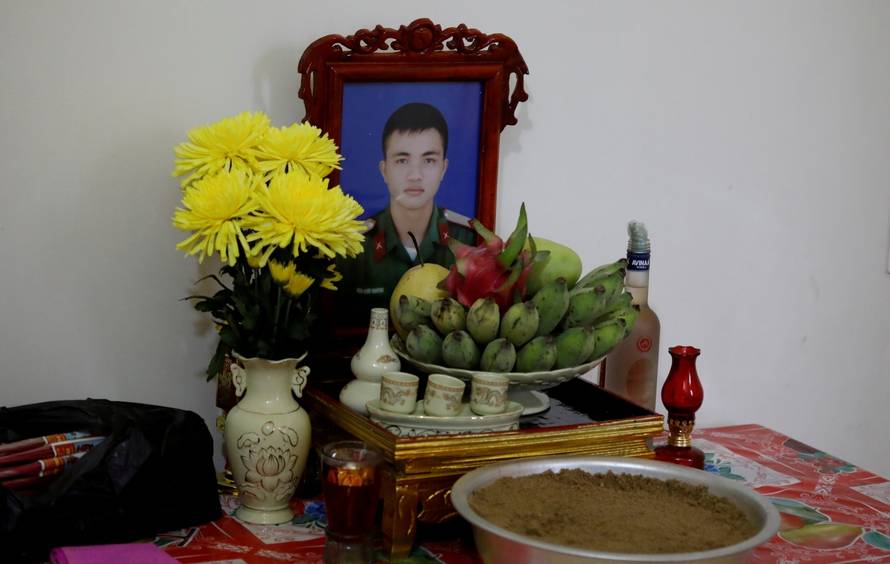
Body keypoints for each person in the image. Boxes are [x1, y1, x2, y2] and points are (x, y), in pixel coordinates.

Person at [335, 102, 476, 317]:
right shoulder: (354, 247)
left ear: (443, 169)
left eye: (428, 160)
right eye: (402, 160)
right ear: (384, 170)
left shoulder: (468, 241)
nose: (415, 175)